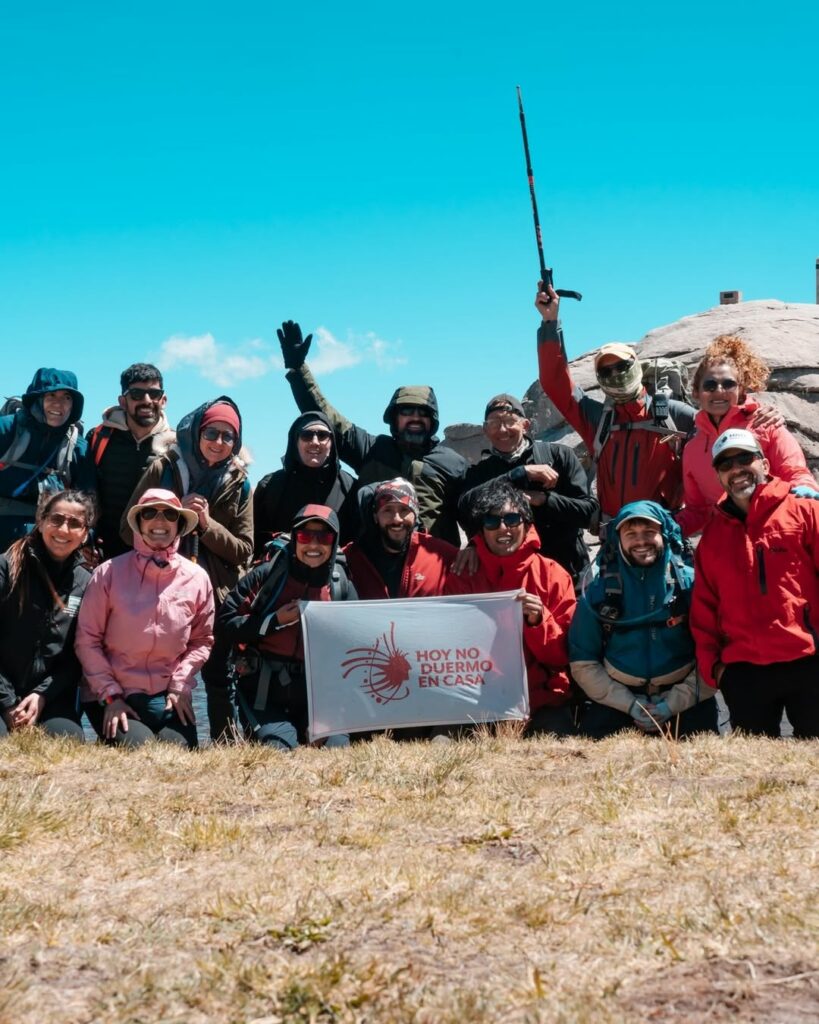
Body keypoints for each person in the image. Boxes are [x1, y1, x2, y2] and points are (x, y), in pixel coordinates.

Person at [122, 396, 253, 741]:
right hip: (159, 586)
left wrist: (206, 525)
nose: (219, 442)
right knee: (160, 668)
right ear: (197, 431)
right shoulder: (164, 467)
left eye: (229, 437)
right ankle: (166, 733)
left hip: (217, 593)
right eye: (212, 432)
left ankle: (224, 742)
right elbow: (127, 527)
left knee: (218, 676)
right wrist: (171, 516)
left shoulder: (241, 483)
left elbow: (243, 550)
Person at [277, 320, 467, 546]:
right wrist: (299, 371)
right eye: (407, 411)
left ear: (432, 420)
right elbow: (325, 415)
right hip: (373, 569)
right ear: (394, 418)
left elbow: (475, 513)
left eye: (423, 413)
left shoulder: (453, 463)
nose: (415, 418)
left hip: (432, 570)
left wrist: (472, 548)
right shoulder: (371, 449)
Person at [690, 429, 819, 738]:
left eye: (745, 458)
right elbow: (704, 610)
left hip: (809, 662)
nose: (736, 469)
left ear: (764, 462)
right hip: (744, 672)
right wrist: (717, 670)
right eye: (725, 465)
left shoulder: (805, 512)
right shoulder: (711, 538)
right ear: (718, 476)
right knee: (755, 776)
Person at [535, 285, 695, 523]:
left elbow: (718, 439)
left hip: (662, 538)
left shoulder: (674, 414)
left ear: (636, 366)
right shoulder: (598, 420)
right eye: (606, 371)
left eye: (622, 367)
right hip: (613, 538)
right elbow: (556, 383)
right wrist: (550, 322)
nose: (616, 374)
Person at [76, 489, 214, 748]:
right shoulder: (107, 573)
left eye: (170, 514)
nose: (159, 521)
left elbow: (202, 641)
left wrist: (180, 684)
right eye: (149, 513)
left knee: (180, 754)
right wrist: (110, 697)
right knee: (143, 749)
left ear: (180, 524)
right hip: (111, 694)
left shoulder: (197, 578)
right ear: (138, 523)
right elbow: (87, 641)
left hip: (165, 695)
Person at [569, 501, 718, 739]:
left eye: (649, 532)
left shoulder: (693, 585)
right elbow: (583, 662)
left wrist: (671, 704)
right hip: (617, 702)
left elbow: (716, 657)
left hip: (686, 700)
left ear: (665, 535)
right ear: (618, 540)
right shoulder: (598, 592)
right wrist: (630, 705)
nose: (641, 541)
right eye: (631, 534)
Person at [216, 504, 356, 749]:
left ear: (334, 542)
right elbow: (226, 624)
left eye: (323, 536)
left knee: (337, 751)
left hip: (319, 698)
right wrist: (273, 622)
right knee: (278, 749)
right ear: (294, 539)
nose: (314, 544)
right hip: (264, 695)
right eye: (305, 536)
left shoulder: (341, 585)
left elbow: (355, 647)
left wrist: (332, 711)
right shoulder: (265, 577)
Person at [446, 480, 577, 735]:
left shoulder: (554, 575)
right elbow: (450, 648)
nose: (502, 528)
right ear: (481, 530)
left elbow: (563, 656)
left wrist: (539, 622)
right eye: (492, 522)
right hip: (478, 701)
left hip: (541, 701)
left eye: (512, 519)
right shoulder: (463, 575)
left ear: (527, 523)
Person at [677, 335, 817, 536]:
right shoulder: (692, 449)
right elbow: (698, 510)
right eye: (709, 385)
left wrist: (805, 497)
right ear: (696, 393)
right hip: (729, 545)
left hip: (777, 536)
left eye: (728, 384)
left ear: (741, 388)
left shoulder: (766, 425)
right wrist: (670, 527)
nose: (719, 391)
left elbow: (795, 474)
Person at [458, 393, 597, 583]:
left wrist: (545, 500)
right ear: (485, 430)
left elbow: (589, 513)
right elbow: (465, 506)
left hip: (569, 574)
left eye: (509, 421)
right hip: (510, 580)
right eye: (493, 424)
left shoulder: (559, 456)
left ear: (526, 425)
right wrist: (519, 474)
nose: (502, 429)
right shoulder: (480, 472)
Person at [0, 490, 96, 741]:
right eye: (56, 519)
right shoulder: (6, 566)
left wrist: (42, 695)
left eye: (75, 523)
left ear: (85, 533)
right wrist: (8, 702)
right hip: (1, 690)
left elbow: (79, 654)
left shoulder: (87, 583)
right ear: (40, 521)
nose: (63, 530)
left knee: (70, 741)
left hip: (48, 696)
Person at [85, 363, 175, 559]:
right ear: (123, 401)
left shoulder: (176, 447)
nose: (146, 400)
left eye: (154, 394)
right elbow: (83, 492)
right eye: (136, 394)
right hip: (100, 555)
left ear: (164, 399)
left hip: (155, 556)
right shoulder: (98, 438)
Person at [0, 368, 95, 552]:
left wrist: (87, 538)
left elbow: (88, 499)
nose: (58, 404)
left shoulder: (77, 447)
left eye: (66, 397)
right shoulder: (7, 428)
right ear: (37, 399)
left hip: (49, 541)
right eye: (51, 395)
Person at [253, 411, 356, 556]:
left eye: (322, 435)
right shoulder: (271, 486)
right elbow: (255, 540)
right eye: (307, 435)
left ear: (332, 442)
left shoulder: (350, 488)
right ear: (296, 441)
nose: (315, 442)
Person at [343, 478, 458, 599]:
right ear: (375, 516)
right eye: (388, 510)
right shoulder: (351, 558)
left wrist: (472, 547)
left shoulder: (441, 555)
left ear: (415, 515)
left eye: (404, 510)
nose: (397, 519)